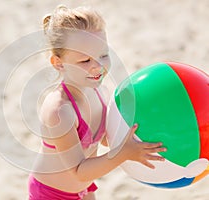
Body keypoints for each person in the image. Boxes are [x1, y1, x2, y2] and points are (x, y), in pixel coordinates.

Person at [28, 5, 166, 200]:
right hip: (52, 194)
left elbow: (103, 138)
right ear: (58, 63)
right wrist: (123, 153)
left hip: (85, 187)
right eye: (85, 60)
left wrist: (136, 139)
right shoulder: (60, 110)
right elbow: (78, 170)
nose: (98, 66)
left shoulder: (100, 92)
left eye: (103, 55)